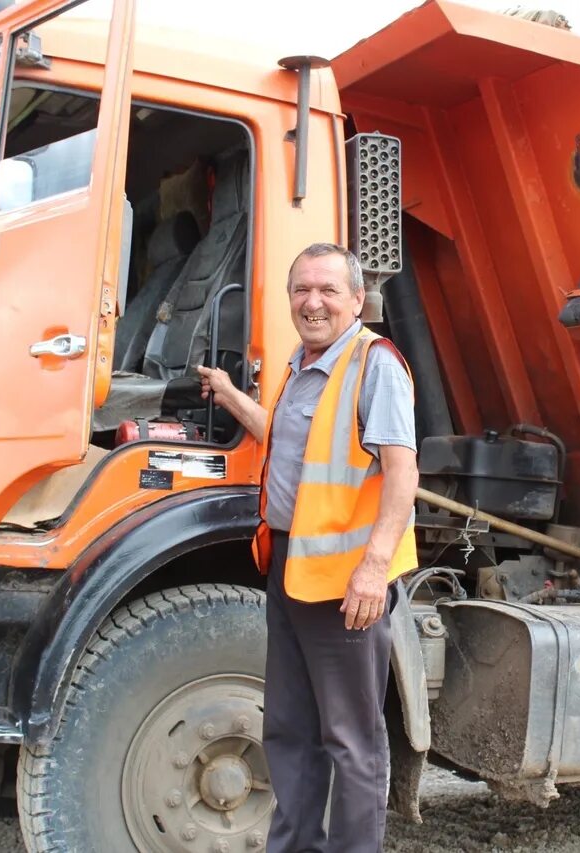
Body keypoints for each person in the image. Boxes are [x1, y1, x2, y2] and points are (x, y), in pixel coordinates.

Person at [196, 242, 418, 852]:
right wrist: (232, 395)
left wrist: (373, 570)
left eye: (326, 290)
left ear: (356, 299)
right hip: (292, 570)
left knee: (351, 742)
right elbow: (296, 444)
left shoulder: (376, 364)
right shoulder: (303, 365)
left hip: (347, 583)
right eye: (301, 290)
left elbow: (403, 472)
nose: (312, 302)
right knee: (290, 731)